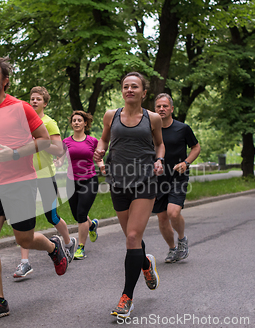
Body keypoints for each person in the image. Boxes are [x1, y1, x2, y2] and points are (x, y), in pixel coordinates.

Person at [0, 56, 67, 322]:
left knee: (24, 239)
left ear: (5, 81)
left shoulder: (21, 108)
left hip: (21, 180)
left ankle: (53, 247)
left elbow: (44, 141)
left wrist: (12, 154)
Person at [94, 72, 165, 318]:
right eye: (126, 86)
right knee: (131, 237)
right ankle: (145, 263)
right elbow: (104, 140)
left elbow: (159, 144)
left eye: (135, 87)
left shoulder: (153, 118)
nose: (129, 90)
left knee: (133, 236)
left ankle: (126, 298)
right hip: (117, 180)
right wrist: (99, 152)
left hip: (145, 180)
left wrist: (159, 160)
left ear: (144, 93)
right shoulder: (111, 116)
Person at [13, 86, 77, 278]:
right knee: (24, 220)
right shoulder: (22, 124)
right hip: (25, 177)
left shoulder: (49, 123)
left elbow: (58, 149)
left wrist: (40, 140)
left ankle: (68, 243)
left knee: (52, 217)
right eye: (31, 98)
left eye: (38, 99)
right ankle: (24, 263)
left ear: (45, 103)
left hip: (45, 176)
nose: (33, 101)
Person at [152, 93, 200, 263]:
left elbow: (196, 147)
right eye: (158, 106)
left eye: (165, 106)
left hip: (177, 177)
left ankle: (181, 239)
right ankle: (172, 249)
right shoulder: (150, 130)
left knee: (173, 212)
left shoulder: (182, 128)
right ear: (154, 109)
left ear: (171, 109)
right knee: (162, 218)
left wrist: (186, 162)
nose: (162, 109)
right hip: (157, 180)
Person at [55, 111, 101, 260]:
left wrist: (102, 165)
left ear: (85, 123)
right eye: (74, 120)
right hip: (71, 181)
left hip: (89, 180)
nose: (76, 123)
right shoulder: (66, 142)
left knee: (81, 213)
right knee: (76, 215)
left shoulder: (92, 141)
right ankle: (92, 226)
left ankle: (81, 247)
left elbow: (98, 157)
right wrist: (57, 163)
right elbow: (61, 160)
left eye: (79, 120)